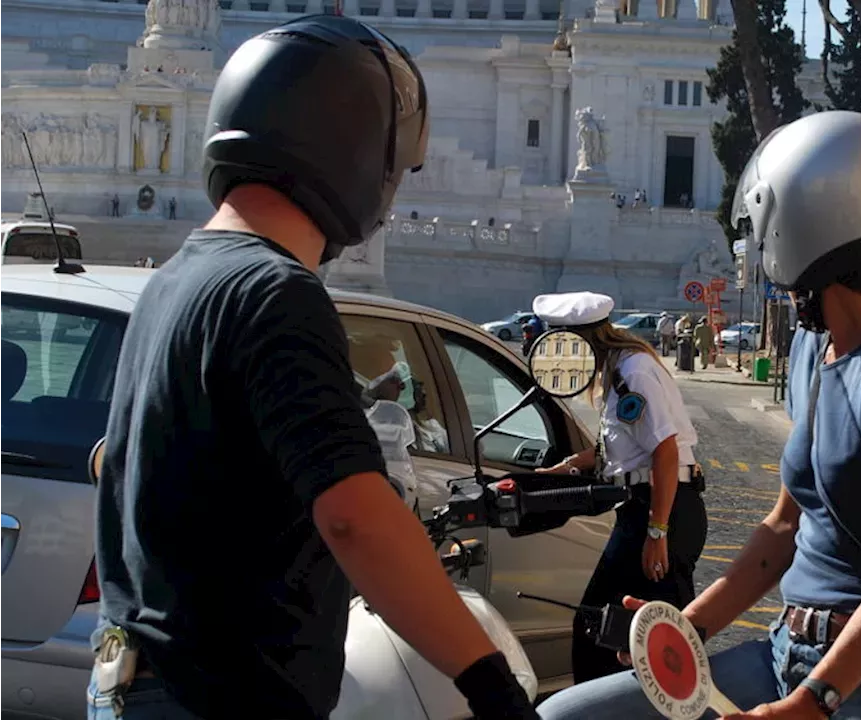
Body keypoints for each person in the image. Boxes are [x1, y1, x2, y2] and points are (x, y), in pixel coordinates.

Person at [89, 16, 535, 720]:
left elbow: (115, 460)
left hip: (140, 680)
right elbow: (355, 519)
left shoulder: (175, 279)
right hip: (218, 699)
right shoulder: (276, 294)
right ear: (350, 147)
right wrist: (491, 684)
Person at [538, 111, 861, 720]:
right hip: (785, 649)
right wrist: (686, 628)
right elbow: (781, 531)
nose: (757, 246)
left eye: (763, 225)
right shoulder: (814, 347)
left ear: (802, 226)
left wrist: (813, 704)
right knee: (570, 715)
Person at [532, 291, 708, 684]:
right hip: (648, 506)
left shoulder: (633, 371)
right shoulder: (617, 371)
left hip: (662, 508)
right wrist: (564, 468)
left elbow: (664, 451)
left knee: (616, 632)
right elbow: (619, 449)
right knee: (630, 636)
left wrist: (656, 532)